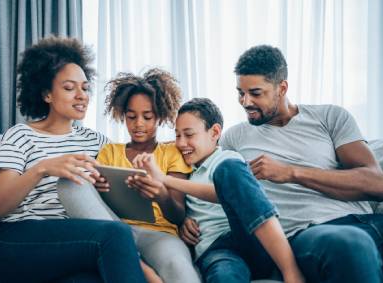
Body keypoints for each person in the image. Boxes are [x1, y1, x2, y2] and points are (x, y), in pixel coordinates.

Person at [215, 45, 383, 282]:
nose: (245, 102)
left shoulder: (330, 117)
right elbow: (221, 188)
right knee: (350, 243)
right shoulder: (234, 138)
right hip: (306, 234)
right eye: (240, 93)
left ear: (282, 88)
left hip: (368, 222)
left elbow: (377, 185)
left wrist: (291, 172)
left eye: (255, 93)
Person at [0, 36, 146, 283]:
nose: (81, 95)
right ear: (47, 94)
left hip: (75, 241)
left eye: (84, 87)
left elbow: (119, 192)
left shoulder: (97, 142)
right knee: (114, 235)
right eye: (70, 88)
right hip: (16, 240)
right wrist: (42, 168)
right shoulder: (20, 135)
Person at [129, 98, 305, 283]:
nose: (181, 143)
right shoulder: (182, 168)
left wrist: (165, 180)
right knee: (224, 275)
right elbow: (175, 206)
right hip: (215, 248)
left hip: (250, 237)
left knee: (228, 171)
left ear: (214, 132)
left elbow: (227, 194)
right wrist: (183, 221)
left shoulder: (228, 160)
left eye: (189, 135)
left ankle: (291, 271)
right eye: (177, 135)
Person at [58, 69, 201, 283]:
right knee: (72, 184)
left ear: (160, 116)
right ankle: (140, 267)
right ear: (122, 115)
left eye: (147, 116)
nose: (138, 124)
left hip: (160, 235)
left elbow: (178, 216)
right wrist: (98, 189)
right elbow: (95, 208)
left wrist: (160, 194)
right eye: (131, 116)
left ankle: (138, 263)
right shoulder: (109, 152)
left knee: (178, 266)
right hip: (115, 232)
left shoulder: (172, 153)